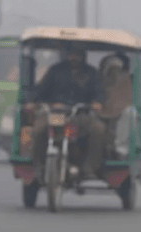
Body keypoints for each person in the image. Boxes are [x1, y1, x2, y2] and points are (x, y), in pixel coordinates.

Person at [31, 44, 107, 178]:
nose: (74, 57)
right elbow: (41, 91)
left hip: (81, 115)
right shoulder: (55, 71)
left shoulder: (92, 73)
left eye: (77, 54)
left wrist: (97, 103)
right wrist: (33, 102)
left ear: (83, 56)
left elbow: (99, 93)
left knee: (99, 129)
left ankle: (89, 167)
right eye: (71, 54)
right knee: (37, 129)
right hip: (56, 114)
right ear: (66, 55)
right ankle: (39, 166)